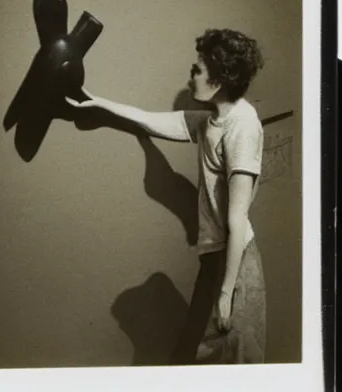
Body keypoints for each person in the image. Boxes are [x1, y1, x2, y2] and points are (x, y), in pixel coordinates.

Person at [66, 28, 266, 365]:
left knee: (232, 363)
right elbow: (155, 120)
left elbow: (237, 217)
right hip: (215, 258)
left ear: (218, 81)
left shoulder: (242, 125)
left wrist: (226, 293)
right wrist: (99, 103)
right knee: (199, 357)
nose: (191, 77)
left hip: (235, 263)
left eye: (197, 70)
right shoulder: (212, 121)